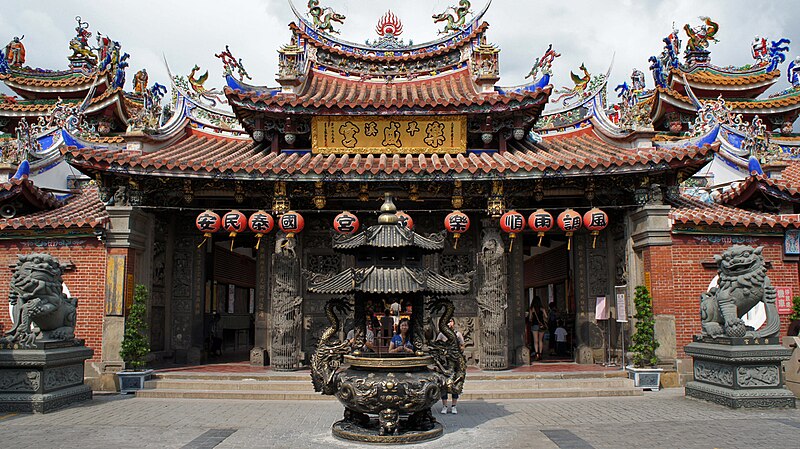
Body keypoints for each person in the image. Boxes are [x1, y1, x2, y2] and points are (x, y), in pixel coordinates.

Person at [436, 318, 465, 415]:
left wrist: (457, 350)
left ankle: (454, 405)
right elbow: (437, 346)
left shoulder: (457, 334)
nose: (449, 323)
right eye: (447, 321)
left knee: (455, 383)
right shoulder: (441, 334)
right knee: (444, 384)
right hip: (445, 362)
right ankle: (444, 405)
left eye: (451, 321)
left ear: (454, 323)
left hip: (455, 362)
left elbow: (462, 346)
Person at [529, 297, 547, 361]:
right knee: (540, 340)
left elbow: (530, 318)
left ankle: (537, 354)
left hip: (534, 325)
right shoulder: (542, 309)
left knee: (535, 341)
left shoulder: (532, 309)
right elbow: (546, 317)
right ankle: (541, 354)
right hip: (542, 325)